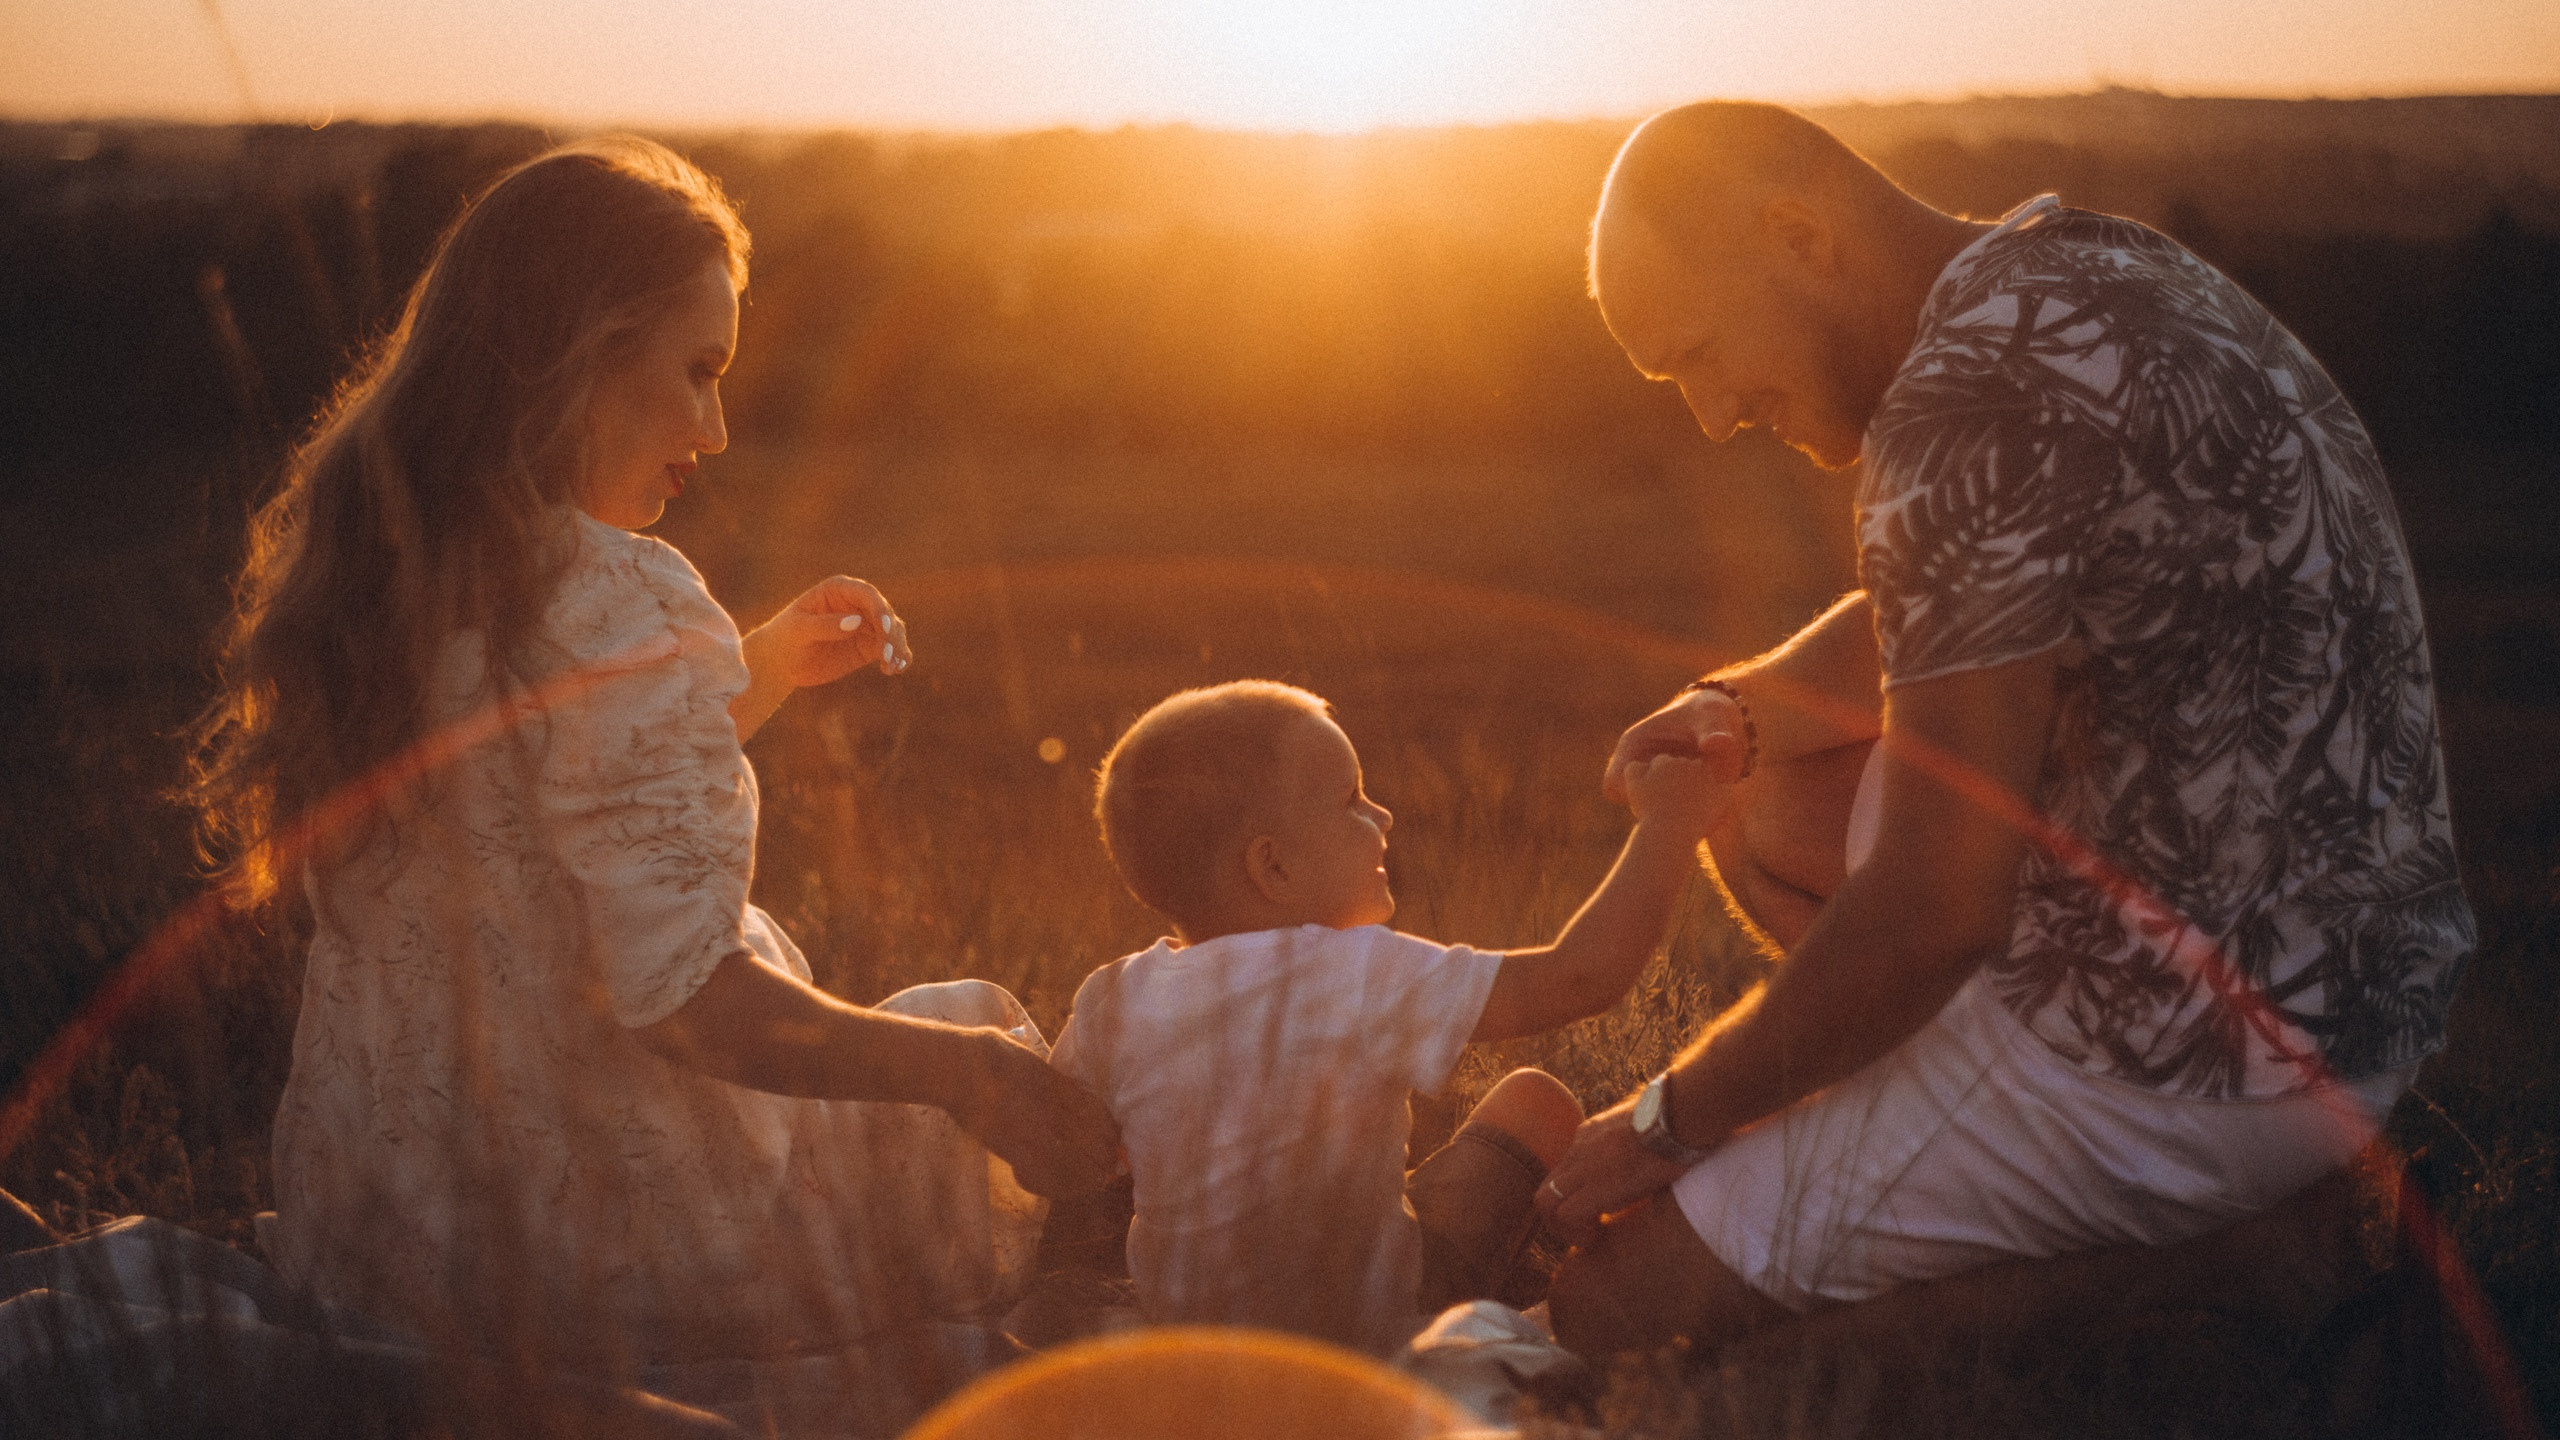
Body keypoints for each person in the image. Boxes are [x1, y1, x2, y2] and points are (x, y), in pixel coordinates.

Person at [1536, 103, 2474, 1355]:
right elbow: (1969, 594)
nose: (1711, 415)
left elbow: (1935, 909)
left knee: (1617, 1314)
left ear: (1798, 236)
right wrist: (1740, 706)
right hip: (2363, 982)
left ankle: (2233, 1256)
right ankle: (1971, 1140)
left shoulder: (1954, 412)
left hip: (2191, 1056)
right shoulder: (2077, 265)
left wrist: (1665, 1121)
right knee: (1768, 792)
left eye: (1699, 355)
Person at [186, 138, 1118, 1367]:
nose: (718, 427)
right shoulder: (629, 605)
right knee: (972, 1022)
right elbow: (693, 1007)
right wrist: (971, 1076)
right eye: (695, 371)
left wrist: (763, 664)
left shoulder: (398, 575)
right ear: (572, 357)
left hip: (388, 1243)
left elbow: (551, 807)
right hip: (614, 1264)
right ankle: (1105, 1316)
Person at [1049, 680, 1729, 1353]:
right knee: (1536, 1101)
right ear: (1273, 867)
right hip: (1370, 1326)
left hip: (1193, 1342)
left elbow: (1058, 1155)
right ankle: (1566, 1301)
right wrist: (1668, 826)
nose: (1384, 816)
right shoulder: (1352, 971)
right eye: (1351, 800)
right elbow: (1580, 975)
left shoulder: (1112, 999)